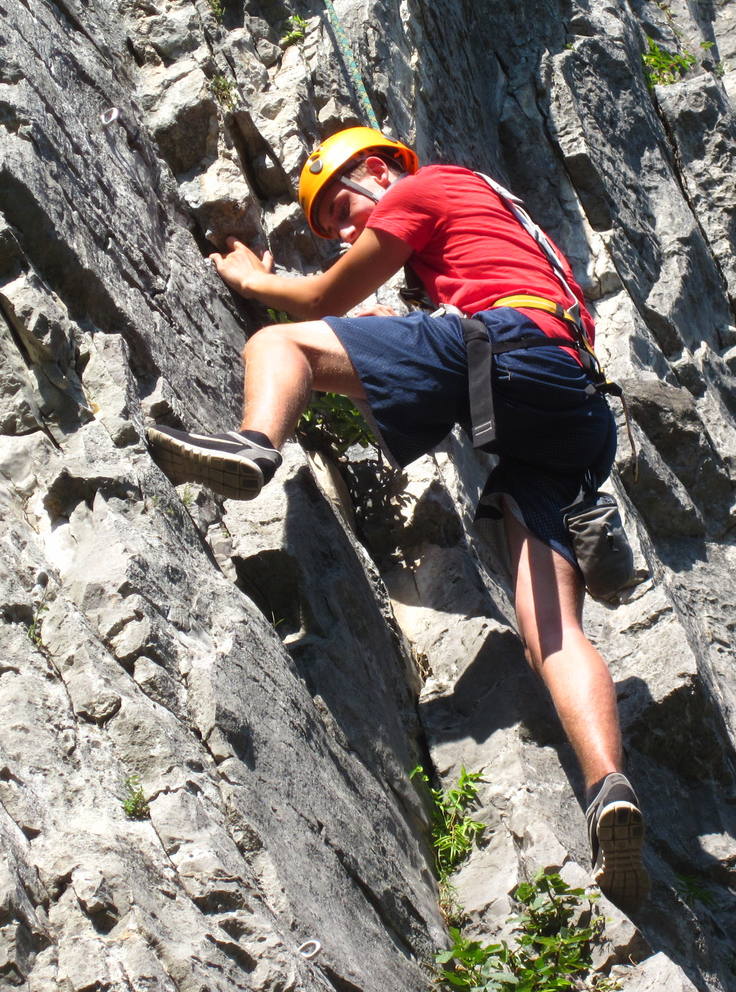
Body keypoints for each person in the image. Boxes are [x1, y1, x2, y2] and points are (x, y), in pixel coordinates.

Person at [147, 127, 649, 911]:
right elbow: (403, 305)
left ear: (376, 168)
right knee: (551, 628)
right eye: (333, 226)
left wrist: (253, 279)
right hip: (574, 410)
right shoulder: (503, 225)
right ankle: (607, 789)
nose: (347, 230)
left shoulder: (423, 187)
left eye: (340, 206)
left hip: (507, 349)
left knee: (287, 345)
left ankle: (251, 446)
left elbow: (322, 300)